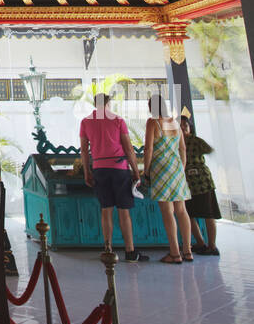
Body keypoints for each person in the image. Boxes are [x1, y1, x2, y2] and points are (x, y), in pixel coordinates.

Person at [80, 92, 149, 261]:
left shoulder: (86, 122)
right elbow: (128, 148)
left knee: (106, 210)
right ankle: (130, 251)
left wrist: (87, 172)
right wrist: (135, 171)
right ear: (108, 104)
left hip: (99, 169)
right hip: (119, 169)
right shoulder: (118, 120)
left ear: (96, 104)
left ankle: (108, 248)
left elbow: (84, 151)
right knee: (124, 212)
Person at [142, 93, 192, 264]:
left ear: (151, 108)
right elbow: (182, 149)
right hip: (177, 169)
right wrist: (182, 168)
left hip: (161, 170)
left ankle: (175, 253)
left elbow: (148, 149)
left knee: (168, 212)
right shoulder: (175, 123)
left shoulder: (153, 122)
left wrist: (146, 171)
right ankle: (188, 251)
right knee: (182, 210)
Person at [181, 116, 221, 256]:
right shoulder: (178, 142)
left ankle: (212, 245)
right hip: (188, 183)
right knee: (188, 214)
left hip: (202, 182)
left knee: (207, 214)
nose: (183, 128)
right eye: (180, 125)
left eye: (185, 125)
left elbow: (210, 150)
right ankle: (200, 243)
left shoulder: (195, 141)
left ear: (189, 127)